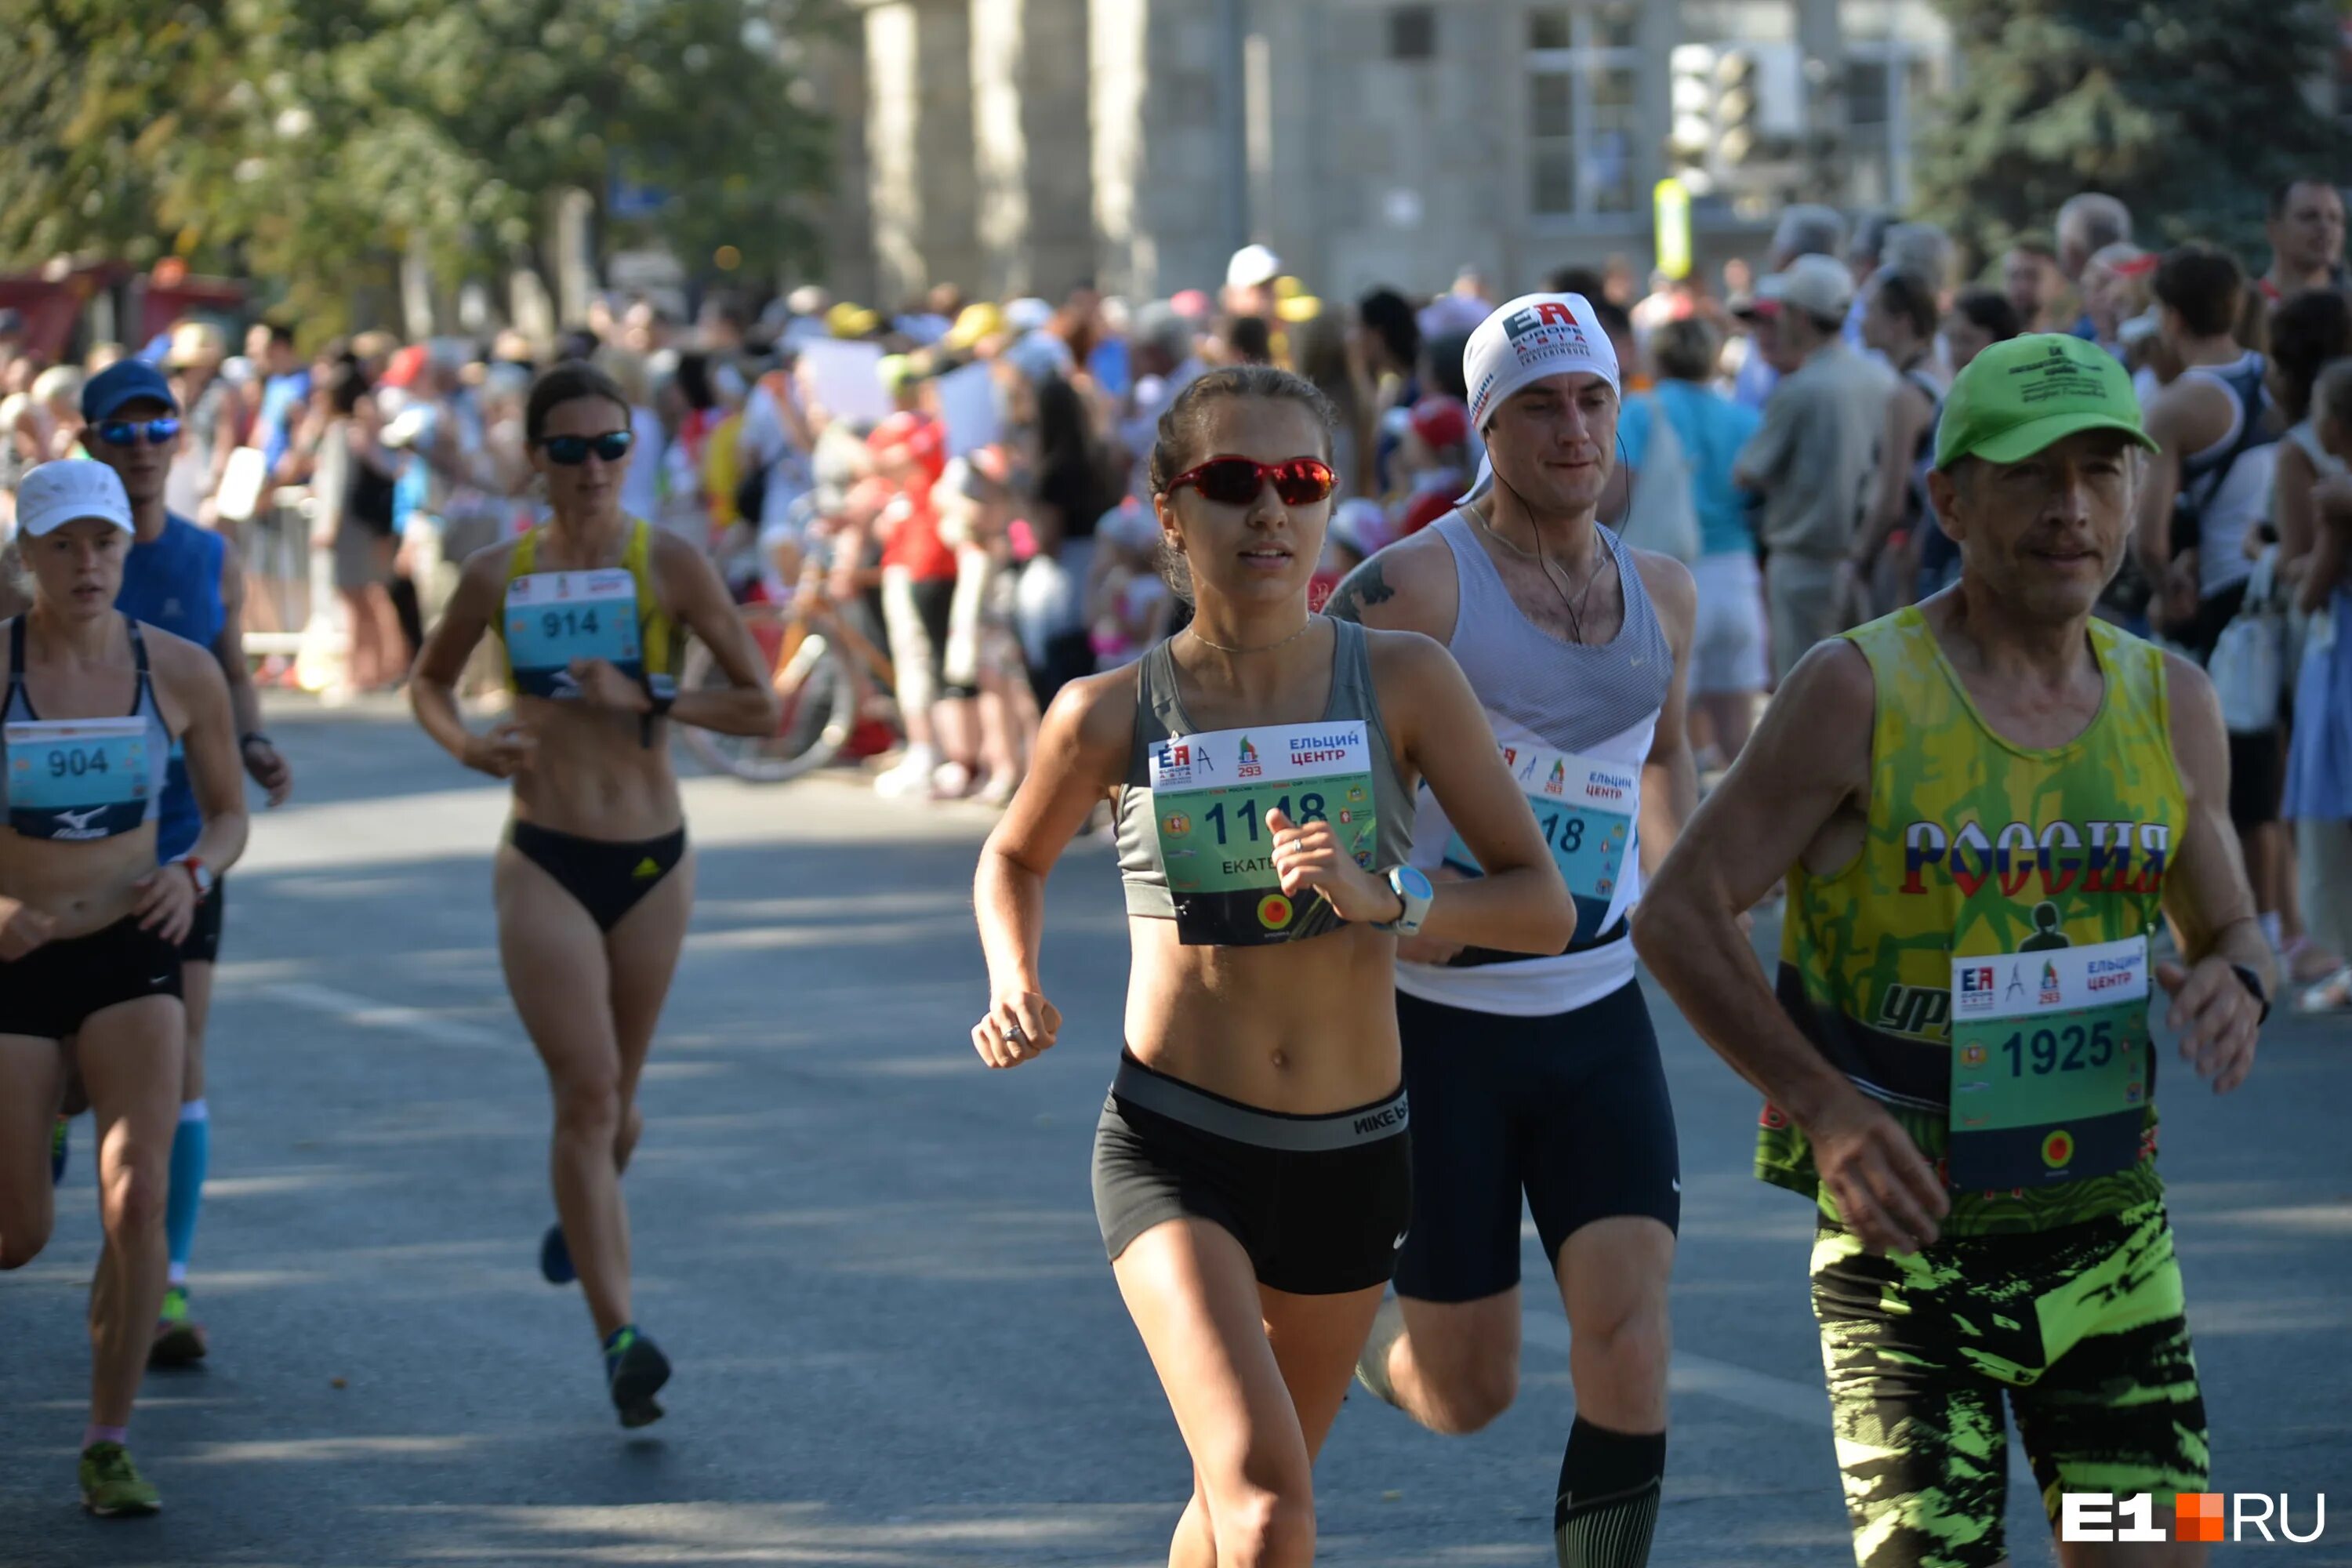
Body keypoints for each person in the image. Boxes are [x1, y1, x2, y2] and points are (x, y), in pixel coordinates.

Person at [1637, 333, 2273, 1568]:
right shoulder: (1855, 690)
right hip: (1904, 1267)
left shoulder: (2172, 701)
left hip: (2112, 1251)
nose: (2071, 509)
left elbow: (2232, 925)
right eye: (2032, 475)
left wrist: (2237, 982)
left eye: (2102, 472)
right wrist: (1822, 1106)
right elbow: (1679, 911)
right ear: (1948, 499)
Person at [971, 365, 1573, 1568]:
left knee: (1244, 1501)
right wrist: (1011, 977)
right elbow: (1011, 857)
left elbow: (1540, 907)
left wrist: (1384, 897)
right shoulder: (1106, 712)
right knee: (1260, 1504)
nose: (1270, 514)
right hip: (1175, 1145)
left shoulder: (1402, 680)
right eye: (1234, 482)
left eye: (1298, 483)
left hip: (1351, 1156)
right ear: (1170, 513)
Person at [1326, 291, 1696, 1568]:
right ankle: (1335, 1320)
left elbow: (1666, 771)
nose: (1574, 428)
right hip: (1440, 1029)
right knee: (1465, 1390)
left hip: (1597, 1015)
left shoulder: (1666, 595)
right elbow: (1302, 750)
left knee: (1628, 1327)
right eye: (1540, 405)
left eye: (1593, 399)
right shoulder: (1417, 585)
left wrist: (1705, 925)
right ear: (1488, 424)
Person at [408, 362, 779, 1426]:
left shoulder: (667, 563)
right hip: (545, 854)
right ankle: (621, 1337)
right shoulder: (498, 573)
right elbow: (426, 680)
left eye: (610, 446)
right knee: (585, 1092)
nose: (590, 469)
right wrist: (468, 743)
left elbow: (760, 706)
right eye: (566, 449)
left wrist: (652, 691)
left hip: (654, 857)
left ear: (632, 452)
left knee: (619, 1106)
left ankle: (586, 1212)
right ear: (535, 458)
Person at [0, 459, 249, 1515]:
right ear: (28, 559)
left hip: (131, 951)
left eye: (103, 542)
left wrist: (194, 874)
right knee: (17, 1237)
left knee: (135, 1197)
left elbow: (229, 813)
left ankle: (108, 1440)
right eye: (63, 545)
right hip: (15, 956)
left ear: (126, 548)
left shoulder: (180, 671)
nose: (87, 563)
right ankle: (51, 1107)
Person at [71, 360, 293, 1367]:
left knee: (181, 1058)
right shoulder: (32, 563)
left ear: (180, 437)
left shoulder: (211, 555)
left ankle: (168, 1279)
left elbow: (233, 670)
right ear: (91, 444)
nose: (144, 444)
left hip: (177, 849)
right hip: (59, 853)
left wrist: (250, 743)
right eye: (122, 429)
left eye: (158, 424)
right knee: (68, 1068)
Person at [1734, 254, 1896, 681]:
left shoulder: (1800, 388)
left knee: (1805, 696)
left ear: (1801, 318)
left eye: (1783, 311)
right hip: (1869, 561)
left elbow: (1748, 471)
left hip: (1805, 567)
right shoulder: (1882, 380)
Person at [1639, 318, 1764, 764]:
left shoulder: (1642, 410)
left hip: (1666, 574)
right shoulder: (1745, 417)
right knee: (1737, 729)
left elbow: (1617, 490)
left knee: (1665, 738)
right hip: (1736, 573)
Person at [1851, 269, 1945, 609]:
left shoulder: (1905, 397)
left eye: (1870, 310)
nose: (1861, 322)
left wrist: (1860, 559)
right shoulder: (1940, 375)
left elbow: (1891, 500)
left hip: (1910, 562)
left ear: (1901, 322)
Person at [2257, 179, 2347, 307]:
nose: (2325, 227)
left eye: (2334, 219)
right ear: (2274, 230)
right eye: (2310, 216)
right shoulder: (2246, 310)